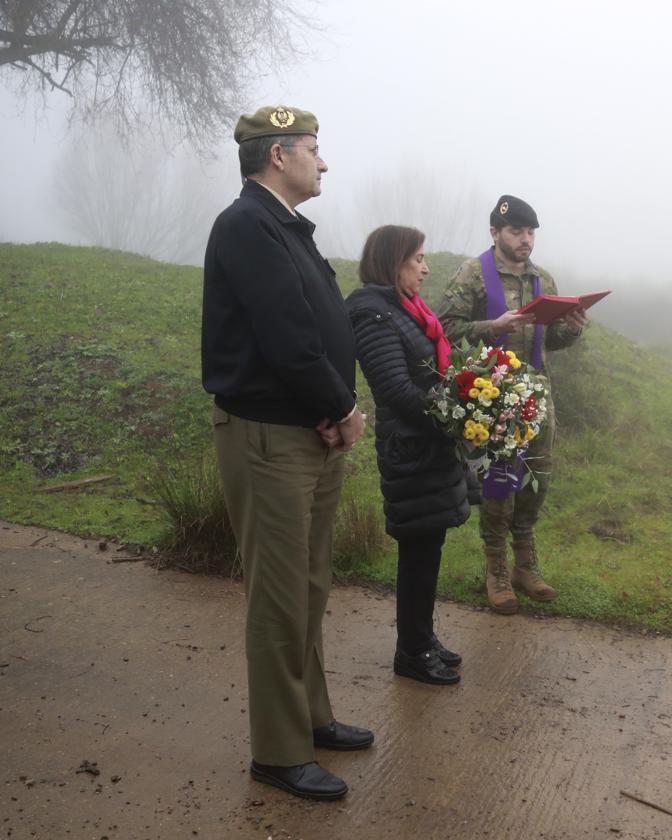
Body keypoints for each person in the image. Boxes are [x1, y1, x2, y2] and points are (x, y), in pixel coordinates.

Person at [201, 105, 372, 802]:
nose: (323, 161)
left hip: (308, 432)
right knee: (277, 597)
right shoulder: (247, 225)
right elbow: (285, 334)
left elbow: (310, 326)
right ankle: (277, 751)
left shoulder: (287, 228)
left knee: (309, 585)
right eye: (313, 149)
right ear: (279, 156)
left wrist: (327, 415)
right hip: (272, 437)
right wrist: (341, 409)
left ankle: (310, 716)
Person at [438, 195, 587, 614]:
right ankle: (496, 568)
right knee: (500, 479)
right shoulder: (472, 275)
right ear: (495, 233)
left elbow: (551, 338)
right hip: (492, 394)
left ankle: (526, 563)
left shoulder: (544, 281)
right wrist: (492, 326)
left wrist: (572, 330)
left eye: (530, 233)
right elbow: (444, 329)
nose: (525, 240)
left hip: (538, 392)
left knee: (538, 473)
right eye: (516, 232)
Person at [346, 225, 471, 686]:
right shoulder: (373, 314)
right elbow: (396, 390)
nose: (425, 266)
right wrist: (457, 414)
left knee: (428, 546)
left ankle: (422, 636)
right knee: (418, 548)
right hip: (412, 448)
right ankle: (412, 651)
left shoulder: (408, 311)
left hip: (429, 445)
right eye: (417, 258)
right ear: (392, 262)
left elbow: (431, 371)